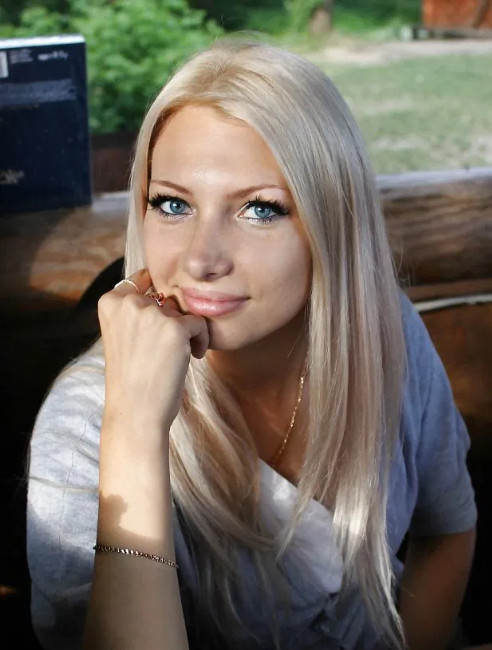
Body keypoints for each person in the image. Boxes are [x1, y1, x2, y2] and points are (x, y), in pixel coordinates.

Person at [26, 39, 477, 650]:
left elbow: (448, 530)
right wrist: (133, 431)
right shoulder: (83, 427)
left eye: (260, 210)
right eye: (173, 203)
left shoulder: (385, 330)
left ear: (332, 221)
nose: (201, 259)